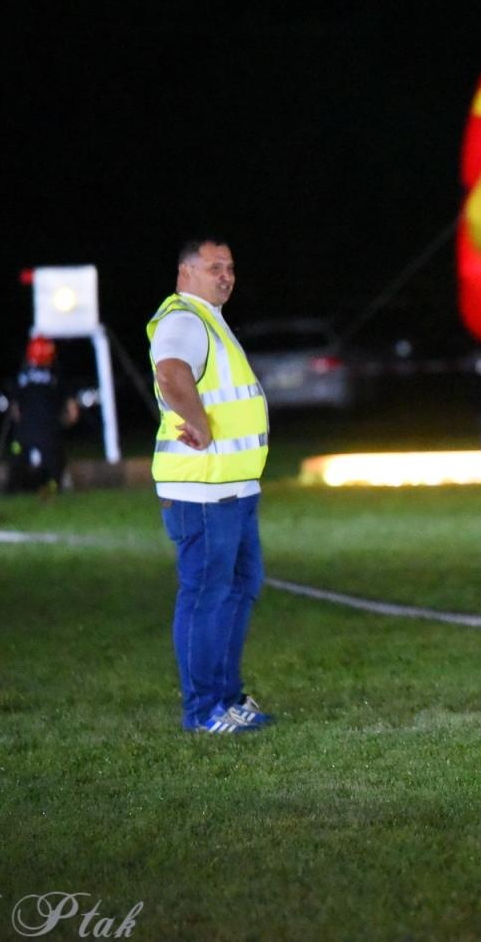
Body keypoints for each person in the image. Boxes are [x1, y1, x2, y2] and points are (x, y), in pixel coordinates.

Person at [147, 239, 275, 734]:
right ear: (185, 273)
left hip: (233, 488)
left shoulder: (209, 318)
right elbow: (171, 372)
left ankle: (226, 698)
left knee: (240, 588)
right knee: (206, 594)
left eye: (230, 267)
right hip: (201, 491)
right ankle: (203, 712)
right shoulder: (184, 319)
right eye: (213, 267)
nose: (225, 275)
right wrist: (196, 420)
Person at [5, 335, 79, 494]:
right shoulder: (57, 375)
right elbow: (73, 413)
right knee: (56, 463)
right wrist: (61, 424)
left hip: (24, 434)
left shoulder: (23, 375)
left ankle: (12, 489)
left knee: (16, 457)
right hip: (50, 432)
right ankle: (54, 486)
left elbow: (15, 410)